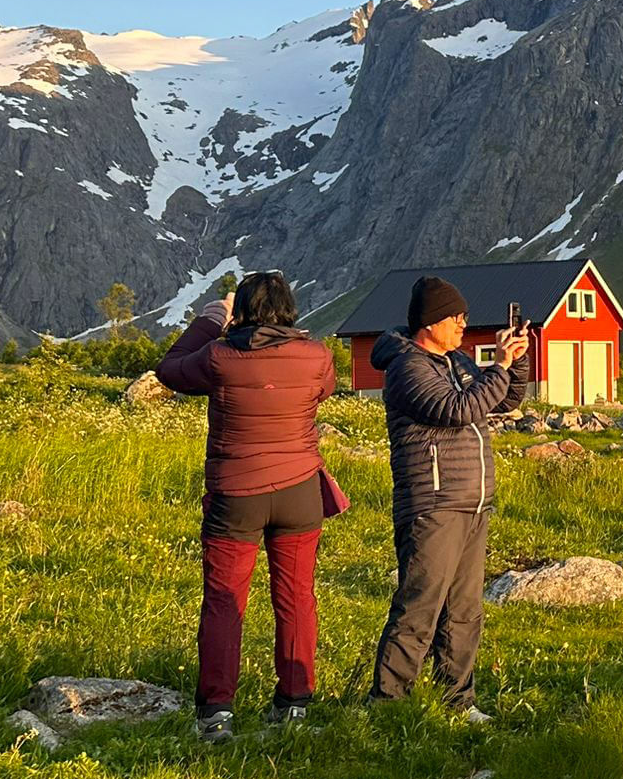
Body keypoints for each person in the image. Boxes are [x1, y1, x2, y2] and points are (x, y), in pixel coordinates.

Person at [156, 271, 336, 742]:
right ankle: (294, 705)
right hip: (300, 491)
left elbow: (170, 369)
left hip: (236, 494)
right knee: (296, 597)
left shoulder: (219, 356)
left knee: (224, 601)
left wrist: (210, 319)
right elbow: (323, 390)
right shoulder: (318, 356)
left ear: (242, 311)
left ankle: (216, 713)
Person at [368, 275, 529, 719]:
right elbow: (457, 411)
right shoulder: (407, 367)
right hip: (433, 504)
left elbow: (501, 401)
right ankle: (387, 704)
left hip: (473, 502)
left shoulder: (456, 361)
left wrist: (515, 363)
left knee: (464, 611)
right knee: (419, 607)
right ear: (430, 322)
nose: (463, 324)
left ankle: (458, 701)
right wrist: (496, 367)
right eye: (455, 316)